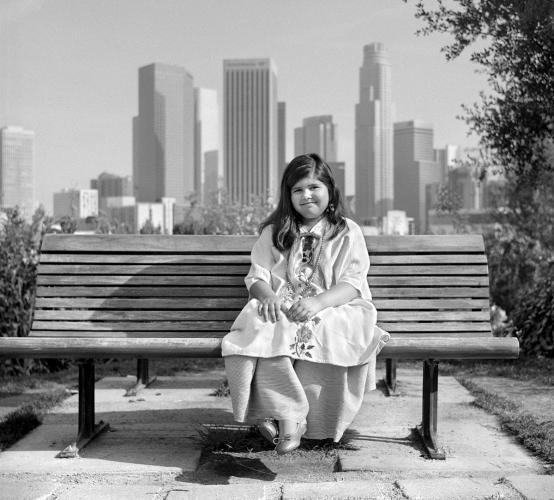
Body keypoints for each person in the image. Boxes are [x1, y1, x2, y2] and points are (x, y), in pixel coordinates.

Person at [221, 153, 389, 454]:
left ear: (329, 191)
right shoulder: (275, 232)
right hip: (283, 303)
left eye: (313, 187)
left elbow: (352, 283)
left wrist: (318, 303)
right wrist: (268, 295)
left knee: (323, 328)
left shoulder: (347, 231)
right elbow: (256, 276)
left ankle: (300, 421)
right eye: (297, 189)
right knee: (265, 325)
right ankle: (289, 416)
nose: (306, 195)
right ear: (288, 196)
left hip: (333, 305)